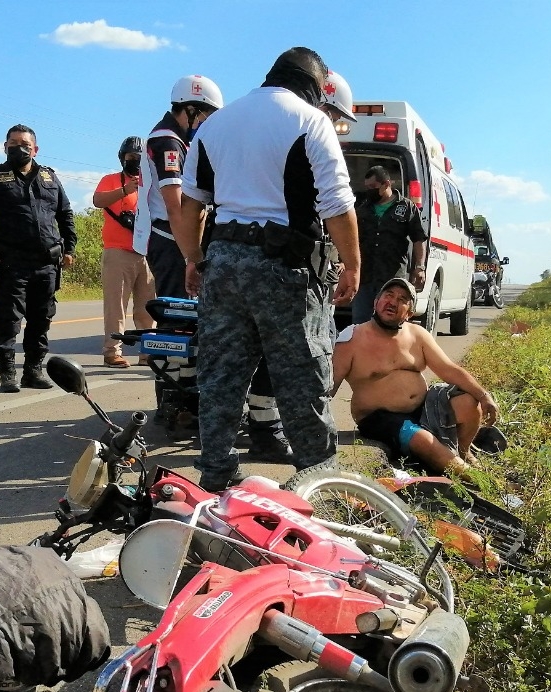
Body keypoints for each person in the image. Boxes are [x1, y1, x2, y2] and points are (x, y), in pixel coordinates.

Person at [175, 47, 361, 491]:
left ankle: (217, 475)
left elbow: (189, 205)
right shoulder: (309, 121)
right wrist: (352, 265)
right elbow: (337, 205)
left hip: (223, 263)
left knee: (221, 376)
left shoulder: (215, 124)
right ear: (316, 87)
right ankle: (319, 478)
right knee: (302, 377)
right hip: (286, 269)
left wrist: (194, 259)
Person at [137, 74, 291, 462]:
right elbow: (178, 205)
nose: (208, 123)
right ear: (190, 109)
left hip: (178, 240)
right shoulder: (167, 141)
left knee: (190, 323)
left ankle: (185, 401)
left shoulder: (181, 138)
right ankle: (177, 403)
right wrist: (194, 256)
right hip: (172, 241)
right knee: (176, 321)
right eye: (205, 115)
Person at [333, 278, 498, 473]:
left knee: (469, 402)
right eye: (388, 295)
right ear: (375, 302)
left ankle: (462, 454)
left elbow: (448, 369)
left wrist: (483, 395)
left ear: (409, 313)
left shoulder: (418, 335)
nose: (393, 302)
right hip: (378, 418)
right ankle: (476, 479)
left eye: (402, 299)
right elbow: (328, 387)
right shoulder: (352, 339)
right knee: (422, 439)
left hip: (423, 408)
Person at [0, 124, 76, 393]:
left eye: (24, 143)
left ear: (35, 149)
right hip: (11, 263)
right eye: (12, 143)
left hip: (47, 264)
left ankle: (33, 372)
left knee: (41, 320)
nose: (18, 147)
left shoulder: (50, 178)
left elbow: (66, 214)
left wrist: (69, 249)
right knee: (8, 320)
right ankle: (8, 374)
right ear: (4, 147)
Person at [92, 136, 155, 368]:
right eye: (130, 158)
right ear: (122, 158)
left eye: (139, 159)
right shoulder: (110, 180)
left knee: (148, 306)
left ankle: (149, 352)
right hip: (118, 252)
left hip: (146, 253)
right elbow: (98, 200)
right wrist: (124, 190)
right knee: (116, 306)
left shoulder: (151, 184)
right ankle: (112, 351)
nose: (135, 163)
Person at [350, 166, 427, 326]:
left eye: (373, 187)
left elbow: (419, 239)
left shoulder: (406, 208)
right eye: (367, 187)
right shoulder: (362, 208)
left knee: (389, 324)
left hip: (392, 280)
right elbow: (352, 239)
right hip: (365, 277)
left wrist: (419, 267)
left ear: (386, 184)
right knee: (361, 324)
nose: (369, 191)